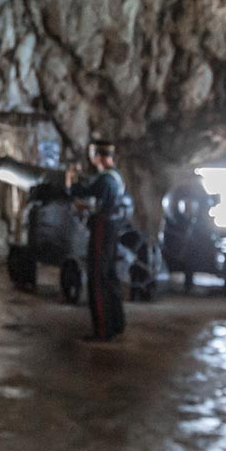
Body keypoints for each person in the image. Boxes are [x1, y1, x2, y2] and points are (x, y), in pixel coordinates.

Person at [67, 138, 132, 341]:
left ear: (99, 157)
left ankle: (102, 330)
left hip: (103, 228)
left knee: (97, 277)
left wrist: (69, 180)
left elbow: (84, 192)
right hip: (112, 227)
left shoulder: (105, 179)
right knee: (110, 276)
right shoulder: (116, 177)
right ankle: (117, 323)